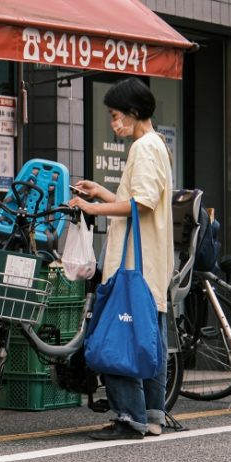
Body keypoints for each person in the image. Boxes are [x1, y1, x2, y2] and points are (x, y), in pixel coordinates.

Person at [69, 77, 174, 441]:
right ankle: (153, 415)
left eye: (116, 116)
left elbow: (140, 203)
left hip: (132, 265)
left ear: (132, 113)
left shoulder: (143, 148)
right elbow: (140, 201)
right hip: (149, 266)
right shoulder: (157, 144)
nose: (114, 124)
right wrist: (102, 191)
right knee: (148, 338)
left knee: (117, 337)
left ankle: (130, 417)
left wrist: (93, 207)